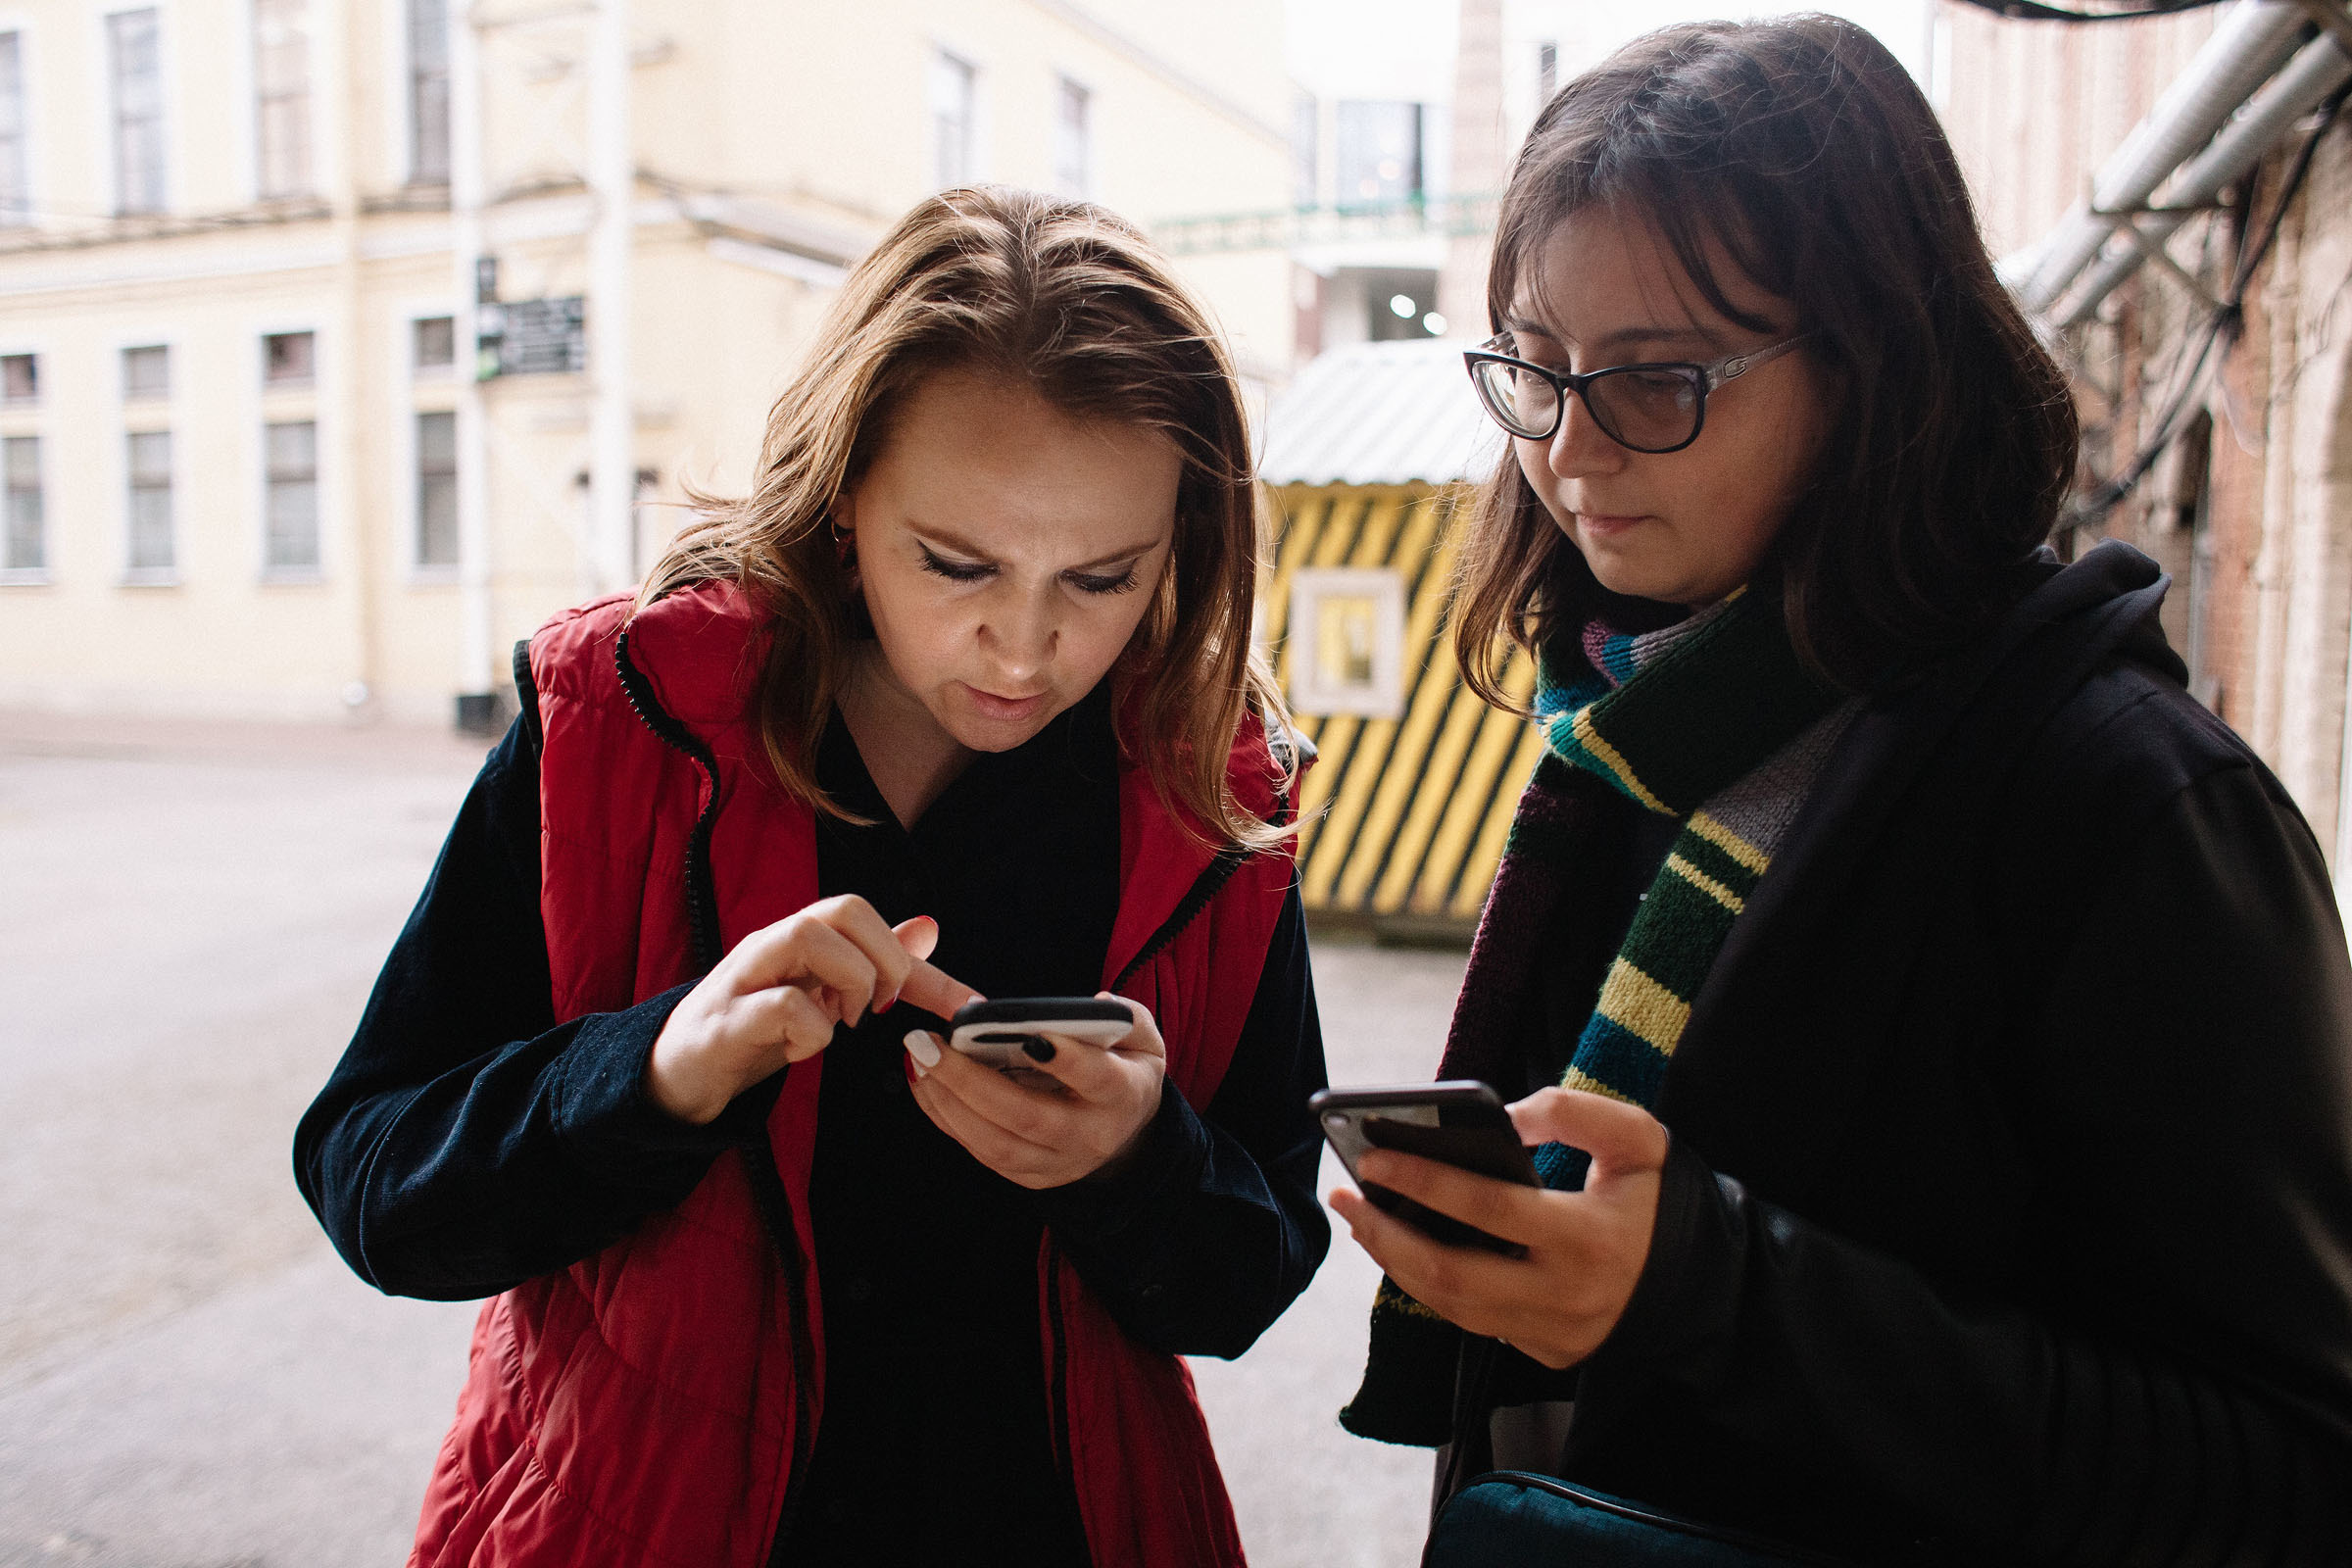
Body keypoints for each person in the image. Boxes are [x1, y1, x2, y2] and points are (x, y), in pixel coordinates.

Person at [1331, 17, 2352, 1565]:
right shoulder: (1629, 732)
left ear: (1879, 366)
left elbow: (2290, 1471)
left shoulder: (2132, 809)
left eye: (1660, 378)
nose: (1574, 451)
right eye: (1536, 369)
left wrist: (1709, 1293)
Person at [295, 186, 1330, 1568]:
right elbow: (374, 1184)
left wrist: (1138, 1166)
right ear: (845, 500)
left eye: (1103, 578)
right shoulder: (620, 724)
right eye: (956, 562)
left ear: (1184, 548)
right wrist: (655, 1073)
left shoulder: (1218, 799)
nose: (1022, 649)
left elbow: (1249, 1281)